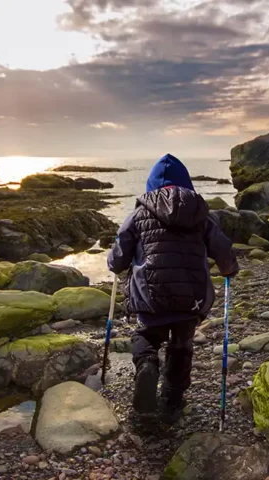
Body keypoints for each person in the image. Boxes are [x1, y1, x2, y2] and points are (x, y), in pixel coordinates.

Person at [107, 153, 238, 422]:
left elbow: (120, 255)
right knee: (181, 346)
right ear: (186, 183)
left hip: (150, 294)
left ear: (151, 184)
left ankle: (146, 364)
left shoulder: (139, 213)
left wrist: (114, 264)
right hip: (190, 297)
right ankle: (171, 400)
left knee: (146, 335)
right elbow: (222, 248)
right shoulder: (201, 213)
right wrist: (228, 269)